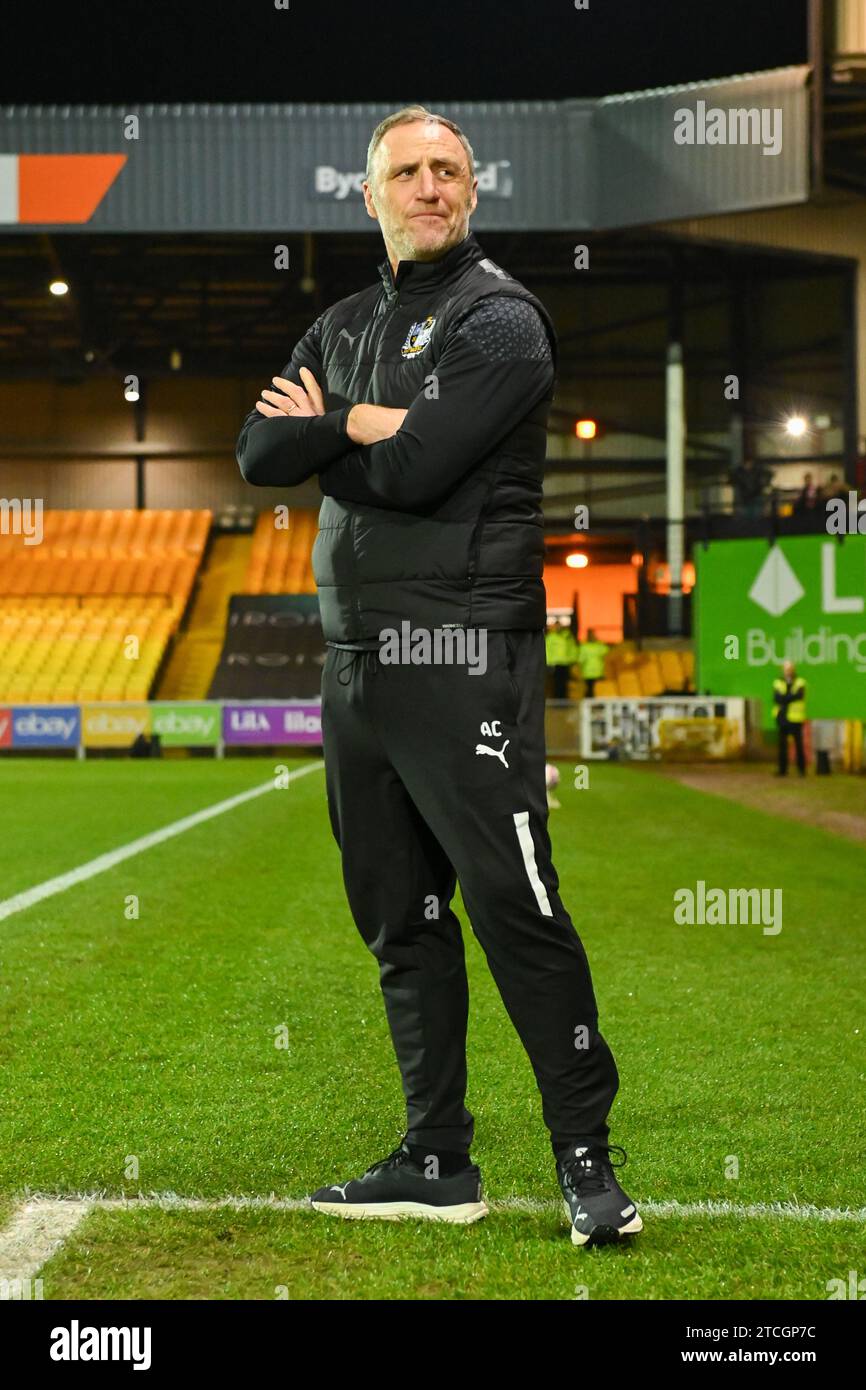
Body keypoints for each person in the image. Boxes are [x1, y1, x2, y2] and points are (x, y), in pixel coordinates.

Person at [237, 104, 640, 1249]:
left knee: (517, 907)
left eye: (445, 171)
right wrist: (358, 426)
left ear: (472, 189)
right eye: (405, 172)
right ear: (368, 194)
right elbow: (260, 452)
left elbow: (418, 472)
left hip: (461, 653)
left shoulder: (501, 319)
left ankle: (585, 1163)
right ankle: (434, 1157)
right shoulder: (344, 318)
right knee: (400, 922)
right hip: (355, 664)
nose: (426, 187)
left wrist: (344, 427)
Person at [773, 660, 807, 777]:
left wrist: (785, 698)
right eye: (786, 669)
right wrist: (791, 697)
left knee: (799, 745)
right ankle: (782, 769)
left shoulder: (800, 682)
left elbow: (799, 696)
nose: (788, 671)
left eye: (790, 669)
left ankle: (801, 770)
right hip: (782, 717)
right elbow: (777, 698)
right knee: (782, 745)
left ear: (793, 669)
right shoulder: (778, 682)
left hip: (796, 719)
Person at [544, 615, 580, 699]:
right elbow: (547, 650)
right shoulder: (550, 638)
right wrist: (548, 663)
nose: (558, 627)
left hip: (566, 663)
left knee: (565, 682)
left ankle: (563, 699)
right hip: (555, 664)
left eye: (559, 625)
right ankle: (557, 699)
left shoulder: (568, 637)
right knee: (556, 683)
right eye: (556, 625)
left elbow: (572, 649)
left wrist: (573, 660)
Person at [577, 628, 609, 697]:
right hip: (598, 672)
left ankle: (589, 705)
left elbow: (580, 660)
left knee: (590, 690)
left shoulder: (584, 647)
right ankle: (596, 704)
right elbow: (608, 653)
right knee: (597, 690)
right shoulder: (600, 646)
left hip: (589, 672)